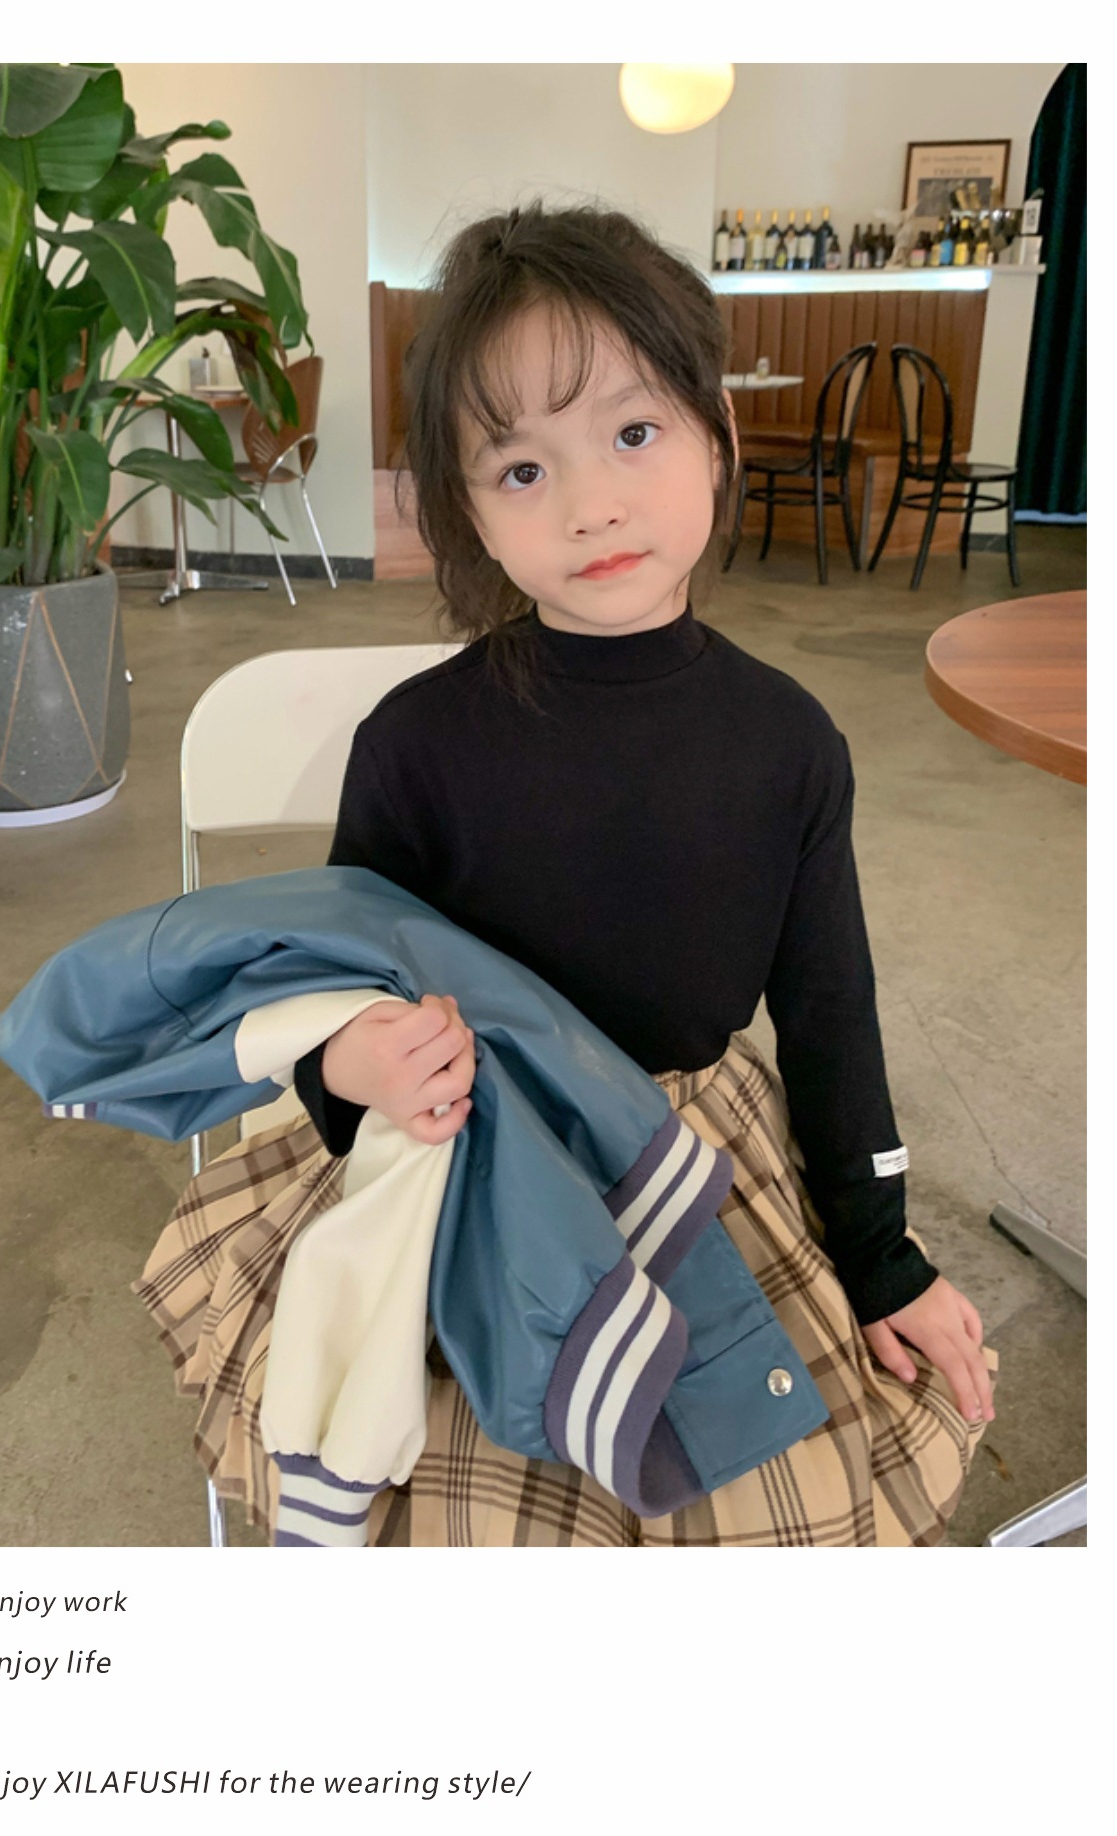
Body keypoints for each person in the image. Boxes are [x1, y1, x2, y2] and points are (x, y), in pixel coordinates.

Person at [143, 200, 996, 1545]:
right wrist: (354, 1068)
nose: (591, 502)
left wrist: (883, 1258)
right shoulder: (416, 744)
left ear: (716, 436)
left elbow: (832, 1020)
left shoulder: (789, 744)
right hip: (473, 1168)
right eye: (522, 468)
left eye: (633, 433)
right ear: (468, 512)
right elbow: (335, 996)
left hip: (693, 1163)